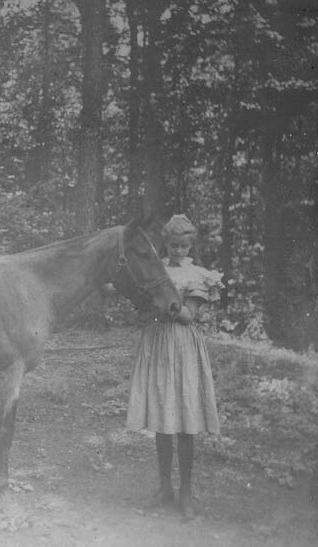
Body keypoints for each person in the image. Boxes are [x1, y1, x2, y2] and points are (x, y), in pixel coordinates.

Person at [126, 214, 224, 520]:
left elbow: (187, 316)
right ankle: (164, 487)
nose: (179, 249)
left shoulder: (198, 275)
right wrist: (149, 306)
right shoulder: (156, 271)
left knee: (183, 419)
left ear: (191, 243)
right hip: (157, 346)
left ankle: (185, 492)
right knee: (162, 416)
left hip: (182, 347)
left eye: (184, 244)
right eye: (173, 244)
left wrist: (164, 305)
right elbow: (144, 310)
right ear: (165, 243)